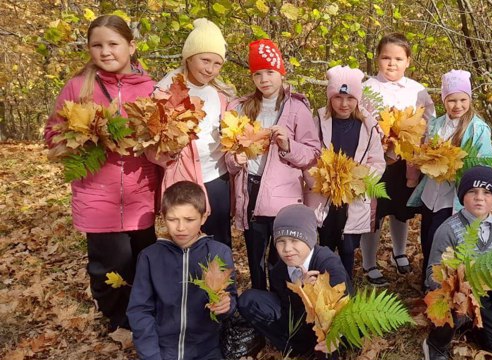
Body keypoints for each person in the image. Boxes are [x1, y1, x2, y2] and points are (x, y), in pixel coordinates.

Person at [42, 14, 159, 331]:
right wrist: (86, 135)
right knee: (111, 262)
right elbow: (52, 135)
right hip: (96, 193)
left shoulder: (150, 87)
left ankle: (145, 313)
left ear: (131, 47)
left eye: (113, 44)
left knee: (144, 258)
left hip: (141, 193)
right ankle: (118, 320)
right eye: (97, 45)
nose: (106, 52)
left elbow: (162, 135)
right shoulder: (78, 86)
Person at [227, 38, 320, 290]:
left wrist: (289, 145)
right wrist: (235, 160)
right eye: (258, 74)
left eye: (270, 72)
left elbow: (313, 153)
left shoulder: (297, 108)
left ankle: (283, 300)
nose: (264, 79)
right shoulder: (240, 108)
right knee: (255, 255)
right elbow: (229, 151)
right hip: (250, 192)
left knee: (280, 256)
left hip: (284, 197)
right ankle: (259, 301)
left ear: (281, 72)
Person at [128, 181, 237, 360]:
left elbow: (231, 299)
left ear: (203, 217)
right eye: (173, 219)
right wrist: (151, 355)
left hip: (207, 351)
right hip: (163, 351)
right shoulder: (150, 257)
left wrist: (227, 305)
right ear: (163, 217)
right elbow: (140, 310)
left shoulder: (219, 253)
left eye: (189, 220)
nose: (180, 228)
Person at [360, 33, 436, 286]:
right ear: (377, 59)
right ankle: (369, 262)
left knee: (400, 211)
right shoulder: (367, 88)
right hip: (375, 161)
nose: (391, 64)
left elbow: (429, 122)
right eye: (386, 58)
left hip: (407, 162)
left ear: (408, 61)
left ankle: (399, 252)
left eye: (398, 58)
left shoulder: (417, 90)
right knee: (375, 212)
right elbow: (359, 121)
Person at [154, 18, 236, 247]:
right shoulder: (165, 91)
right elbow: (150, 145)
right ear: (189, 57)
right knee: (184, 242)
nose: (210, 69)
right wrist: (168, 152)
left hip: (216, 179)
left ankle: (219, 283)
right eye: (205, 60)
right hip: (182, 180)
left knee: (217, 243)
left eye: (217, 63)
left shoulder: (222, 93)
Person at [423, 166, 492, 359]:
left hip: (484, 296)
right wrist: (456, 287)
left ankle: (477, 327)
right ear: (462, 196)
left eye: (487, 192)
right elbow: (432, 275)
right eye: (472, 191)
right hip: (452, 296)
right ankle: (435, 343)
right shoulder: (448, 230)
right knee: (455, 308)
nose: (480, 197)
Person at [238, 204, 354, 359]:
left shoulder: (327, 263)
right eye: (281, 241)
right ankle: (296, 347)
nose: (287, 249)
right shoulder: (279, 271)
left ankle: (323, 350)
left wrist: (335, 337)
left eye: (294, 240)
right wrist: (301, 292)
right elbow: (288, 309)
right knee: (249, 300)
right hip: (301, 323)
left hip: (333, 327)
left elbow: (343, 307)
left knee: (326, 348)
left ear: (310, 239)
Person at [408, 69, 492, 277]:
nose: (458, 106)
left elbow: (483, 166)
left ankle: (442, 285)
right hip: (431, 195)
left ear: (469, 99)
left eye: (463, 100)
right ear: (444, 100)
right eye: (452, 100)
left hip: (453, 198)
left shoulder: (477, 129)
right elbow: (424, 153)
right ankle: (427, 281)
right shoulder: (436, 125)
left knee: (445, 242)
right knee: (427, 237)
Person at [307, 65, 386, 277]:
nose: (344, 104)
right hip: (325, 196)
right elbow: (310, 157)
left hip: (354, 196)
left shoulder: (367, 127)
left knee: (348, 247)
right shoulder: (319, 122)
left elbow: (377, 161)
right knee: (325, 243)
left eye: (350, 98)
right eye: (338, 97)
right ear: (330, 97)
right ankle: (324, 289)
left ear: (358, 99)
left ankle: (347, 287)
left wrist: (359, 177)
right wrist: (319, 178)